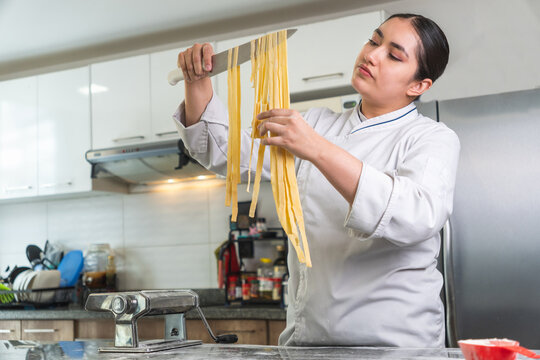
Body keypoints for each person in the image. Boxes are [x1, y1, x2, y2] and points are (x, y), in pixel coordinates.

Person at [174, 13, 460, 347]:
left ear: (418, 85)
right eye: (374, 40)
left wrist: (317, 149)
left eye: (394, 55)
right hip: (308, 344)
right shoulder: (316, 124)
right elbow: (228, 156)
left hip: (397, 347)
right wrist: (197, 81)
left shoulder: (430, 138)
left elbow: (415, 216)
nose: (371, 54)